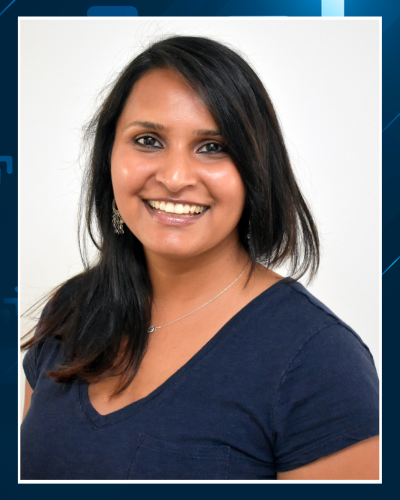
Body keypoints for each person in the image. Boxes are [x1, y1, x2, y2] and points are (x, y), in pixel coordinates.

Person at [20, 36, 379, 480]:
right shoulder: (70, 309)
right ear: (108, 156)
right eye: (148, 140)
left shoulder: (320, 361)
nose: (174, 178)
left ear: (255, 169)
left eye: (213, 147)